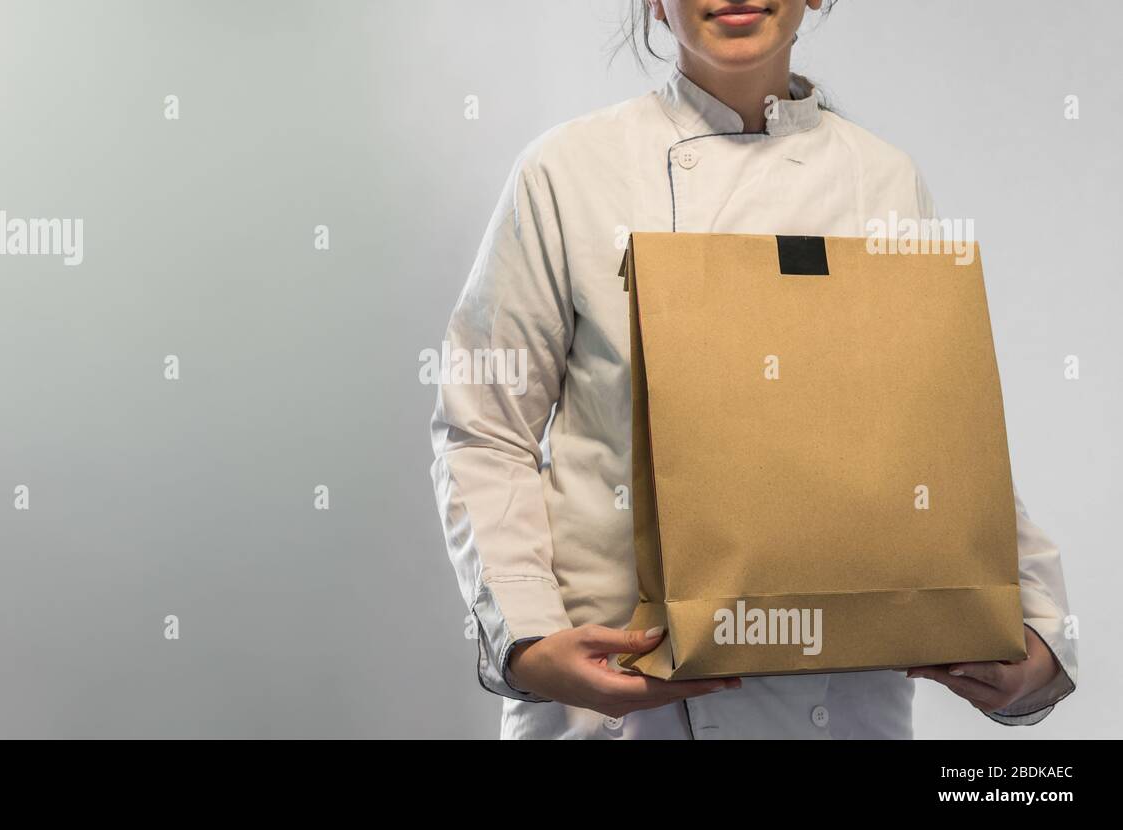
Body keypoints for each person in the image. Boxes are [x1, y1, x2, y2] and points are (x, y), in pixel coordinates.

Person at [429, 0, 1077, 739]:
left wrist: (1042, 636)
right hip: (618, 711)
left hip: (839, 715)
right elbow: (484, 430)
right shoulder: (565, 173)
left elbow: (942, 443)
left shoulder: (884, 182)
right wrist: (529, 640)